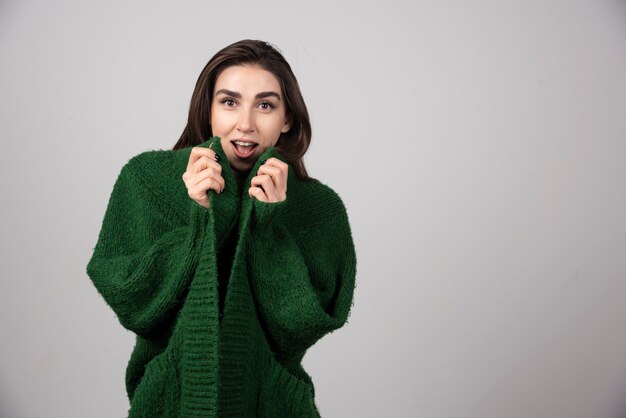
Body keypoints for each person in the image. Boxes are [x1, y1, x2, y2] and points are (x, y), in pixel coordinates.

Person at [86, 39, 356, 418]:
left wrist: (268, 231)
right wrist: (199, 222)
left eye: (265, 105)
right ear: (208, 109)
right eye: (229, 102)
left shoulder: (318, 208)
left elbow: (299, 328)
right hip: (167, 403)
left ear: (288, 118)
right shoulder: (146, 181)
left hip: (275, 406)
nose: (245, 124)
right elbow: (133, 303)